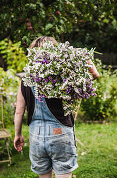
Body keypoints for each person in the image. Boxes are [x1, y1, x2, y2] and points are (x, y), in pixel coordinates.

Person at [14, 36, 99, 178]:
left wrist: (18, 134)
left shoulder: (25, 80)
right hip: (60, 134)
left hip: (36, 136)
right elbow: (94, 75)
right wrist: (84, 57)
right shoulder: (62, 76)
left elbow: (19, 111)